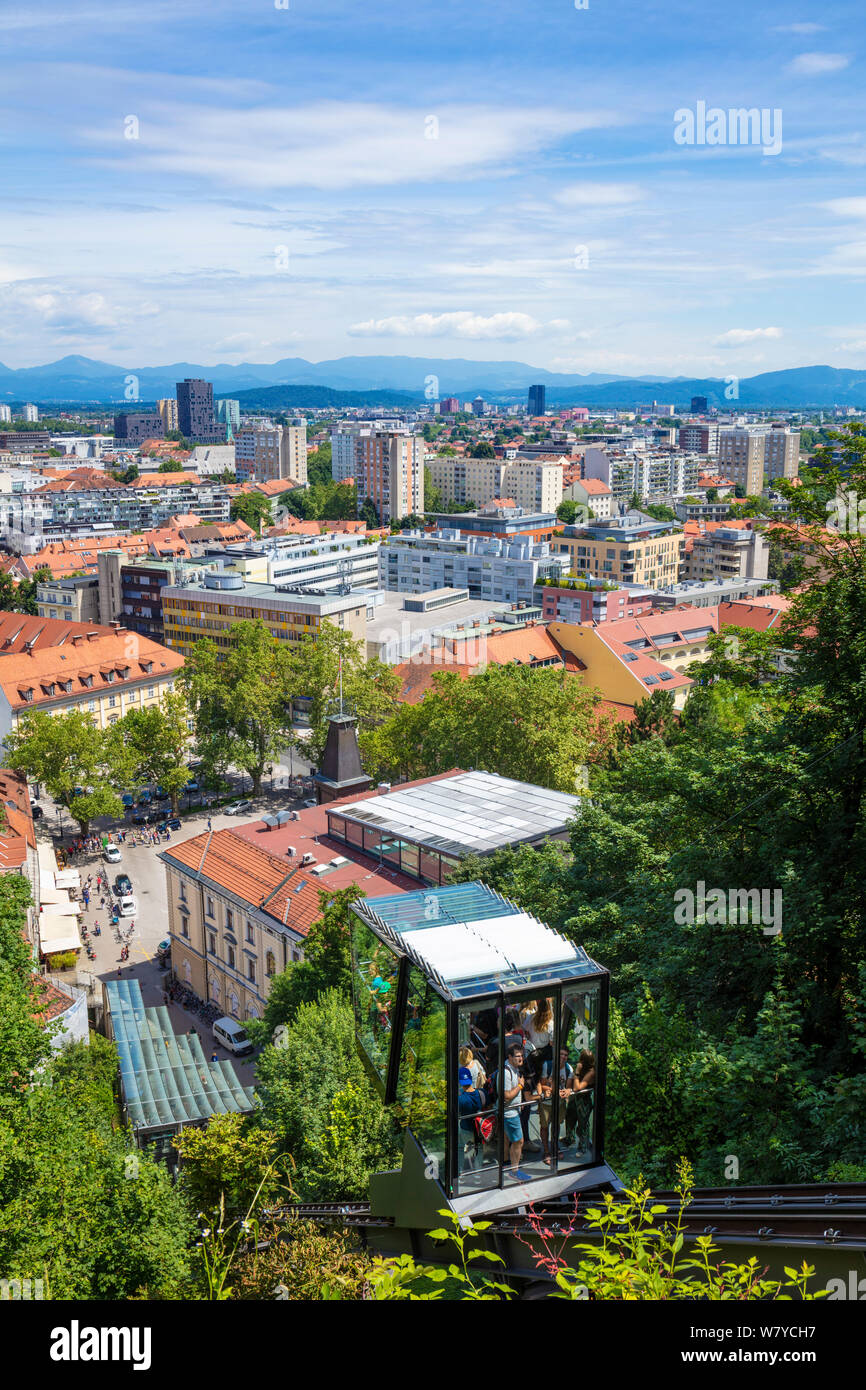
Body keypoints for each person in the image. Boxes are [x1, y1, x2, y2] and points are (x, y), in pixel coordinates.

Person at [498, 1043, 533, 1181]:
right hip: (509, 1114)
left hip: (512, 1111)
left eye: (522, 1056)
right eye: (517, 1056)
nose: (521, 1059)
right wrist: (520, 1086)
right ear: (509, 1057)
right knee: (519, 1141)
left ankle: (512, 1168)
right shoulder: (506, 1073)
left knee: (513, 1141)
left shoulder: (513, 1069)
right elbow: (506, 1095)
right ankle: (514, 1171)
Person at [538, 1047, 574, 1164]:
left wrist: (568, 1091)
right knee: (544, 1126)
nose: (563, 1057)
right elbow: (541, 1085)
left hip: (559, 1103)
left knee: (556, 1124)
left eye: (566, 1055)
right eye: (561, 1054)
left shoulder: (569, 1069)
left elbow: (567, 1087)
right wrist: (552, 1090)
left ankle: (555, 1147)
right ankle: (547, 1151)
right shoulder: (547, 1066)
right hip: (546, 1102)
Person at [564, 1049, 596, 1151]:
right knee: (569, 1119)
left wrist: (577, 1072)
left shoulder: (591, 1072)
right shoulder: (583, 1069)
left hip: (584, 1100)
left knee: (582, 1124)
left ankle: (582, 1147)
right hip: (575, 1098)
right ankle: (570, 1139)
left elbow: (577, 1088)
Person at [457, 1066, 485, 1172]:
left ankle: (459, 1171)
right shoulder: (481, 1093)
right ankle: (478, 1171)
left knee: (460, 1147)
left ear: (460, 1082)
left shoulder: (460, 1097)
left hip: (465, 1128)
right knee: (479, 1148)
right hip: (479, 1128)